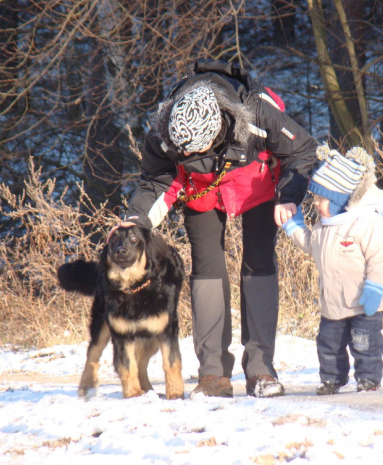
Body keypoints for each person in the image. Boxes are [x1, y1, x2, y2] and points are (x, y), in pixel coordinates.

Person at [117, 61, 318, 398]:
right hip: (200, 190)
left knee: (259, 260)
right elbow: (154, 182)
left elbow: (303, 150)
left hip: (256, 181)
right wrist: (136, 223)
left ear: (218, 131)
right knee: (207, 266)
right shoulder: (162, 133)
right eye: (184, 152)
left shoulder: (255, 113)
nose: (186, 154)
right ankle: (213, 374)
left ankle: (261, 370)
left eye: (195, 151)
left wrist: (289, 197)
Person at [281, 144, 383, 395]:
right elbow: (310, 244)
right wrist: (294, 227)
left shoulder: (366, 222)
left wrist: (375, 287)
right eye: (314, 198)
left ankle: (368, 377)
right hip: (334, 301)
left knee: (365, 341)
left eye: (321, 199)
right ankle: (332, 378)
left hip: (364, 300)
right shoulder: (324, 226)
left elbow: (380, 258)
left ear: (340, 200)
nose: (316, 204)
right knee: (328, 343)